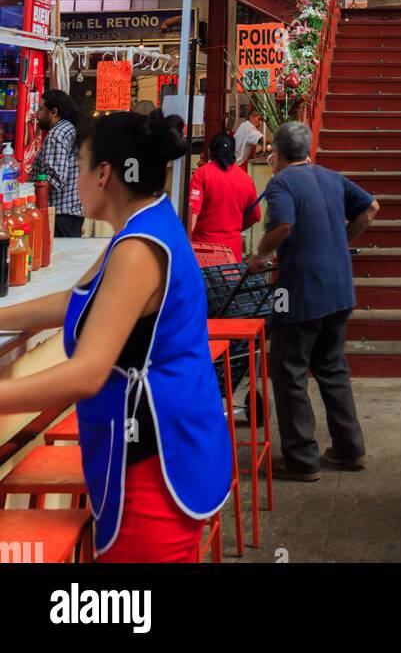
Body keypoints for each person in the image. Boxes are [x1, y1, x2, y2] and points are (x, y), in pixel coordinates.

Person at [0, 110, 232, 562]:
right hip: (165, 443)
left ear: (103, 173)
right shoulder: (146, 224)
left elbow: (87, 373)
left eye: (79, 163)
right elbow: (78, 300)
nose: (75, 178)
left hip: (154, 462)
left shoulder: (137, 249)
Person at [248, 121, 379, 481]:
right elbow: (371, 208)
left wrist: (260, 254)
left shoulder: (280, 184)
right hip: (339, 289)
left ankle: (301, 458)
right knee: (332, 367)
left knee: (287, 371)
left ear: (275, 155)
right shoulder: (332, 177)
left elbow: (284, 226)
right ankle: (350, 448)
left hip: (298, 292)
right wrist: (341, 240)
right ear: (308, 151)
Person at [188, 132, 262, 261]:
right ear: (234, 153)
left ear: (210, 152)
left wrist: (184, 245)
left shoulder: (202, 174)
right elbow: (255, 216)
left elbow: (192, 212)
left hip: (203, 254)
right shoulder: (245, 179)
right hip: (232, 256)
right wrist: (235, 228)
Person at [32, 89, 84, 237]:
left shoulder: (57, 134)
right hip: (70, 214)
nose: (37, 114)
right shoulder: (69, 129)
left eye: (41, 109)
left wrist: (29, 201)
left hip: (59, 215)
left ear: (53, 112)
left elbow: (53, 178)